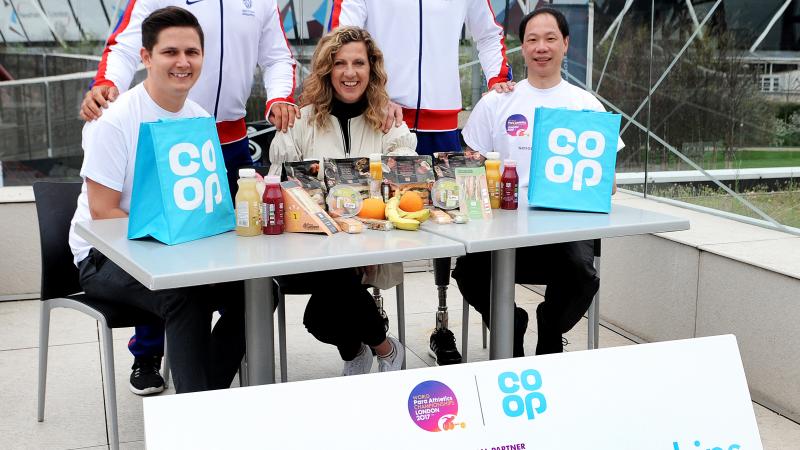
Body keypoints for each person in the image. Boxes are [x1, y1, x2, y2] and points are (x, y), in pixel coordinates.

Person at [79, 0, 297, 395]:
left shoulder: (198, 117)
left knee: (259, 292)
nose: (182, 62)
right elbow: (103, 214)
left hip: (173, 249)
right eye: (170, 52)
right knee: (184, 295)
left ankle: (201, 399)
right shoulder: (114, 120)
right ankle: (197, 409)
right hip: (104, 255)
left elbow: (200, 211)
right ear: (146, 56)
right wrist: (174, 242)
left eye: (192, 52)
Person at [330, 0, 515, 366]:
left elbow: (490, 34)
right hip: (380, 117)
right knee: (368, 219)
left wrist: (497, 81)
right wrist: (374, 95)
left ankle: (442, 325)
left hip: (442, 121)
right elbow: (341, 37)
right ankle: (372, 325)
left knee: (450, 228)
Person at [452, 7, 623, 356]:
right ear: (522, 47)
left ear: (565, 44)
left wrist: (606, 183)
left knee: (581, 275)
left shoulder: (585, 104)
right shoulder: (497, 101)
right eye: (532, 39)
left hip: (565, 223)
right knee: (469, 272)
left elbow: (608, 176)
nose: (541, 47)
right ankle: (509, 325)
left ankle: (550, 327)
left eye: (549, 39)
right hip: (503, 224)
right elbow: (468, 166)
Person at [269, 26, 415, 375]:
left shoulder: (388, 121)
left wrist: (364, 240)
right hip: (311, 249)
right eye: (340, 63)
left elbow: (406, 186)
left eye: (359, 63)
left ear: (371, 69)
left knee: (321, 313)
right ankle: (382, 347)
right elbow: (281, 189)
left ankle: (355, 352)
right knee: (327, 301)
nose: (350, 73)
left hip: (374, 245)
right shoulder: (299, 123)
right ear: (326, 70)